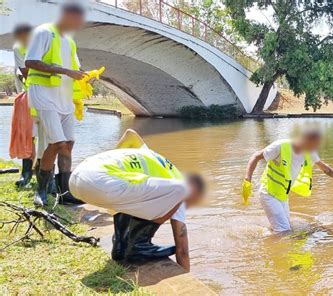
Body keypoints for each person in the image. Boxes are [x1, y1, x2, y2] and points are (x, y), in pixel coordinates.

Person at [69, 129, 206, 271]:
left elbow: (130, 133)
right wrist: (185, 274)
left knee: (130, 197)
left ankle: (120, 246)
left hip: (77, 178)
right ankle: (139, 245)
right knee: (180, 190)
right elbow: (182, 249)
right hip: (101, 183)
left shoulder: (154, 159)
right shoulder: (179, 187)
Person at [25, 3, 88, 207]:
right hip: (43, 94)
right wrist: (66, 71)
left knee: (68, 144)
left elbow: (75, 68)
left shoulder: (69, 41)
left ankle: (64, 192)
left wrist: (86, 76)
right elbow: (31, 62)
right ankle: (41, 191)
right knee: (56, 143)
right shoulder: (44, 32)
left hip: (64, 97)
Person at [242, 126, 333, 233]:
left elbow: (324, 168)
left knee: (286, 227)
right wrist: (247, 180)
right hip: (268, 194)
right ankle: (264, 241)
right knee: (284, 231)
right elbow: (255, 156)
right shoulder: (281, 146)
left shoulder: (309, 152)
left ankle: (265, 234)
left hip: (283, 196)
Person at [11, 23, 35, 188]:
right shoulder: (19, 47)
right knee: (27, 135)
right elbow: (25, 72)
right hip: (28, 96)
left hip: (48, 96)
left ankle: (44, 175)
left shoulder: (45, 46)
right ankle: (26, 173)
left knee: (47, 136)